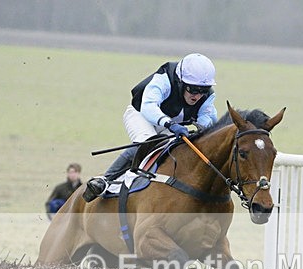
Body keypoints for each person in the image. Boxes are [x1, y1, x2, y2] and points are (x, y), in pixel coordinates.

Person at [83, 53, 218, 201]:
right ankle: (104, 181)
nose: (198, 96)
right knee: (148, 142)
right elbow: (149, 106)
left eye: (203, 90)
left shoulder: (207, 96)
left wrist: (200, 130)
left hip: (171, 125)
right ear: (181, 82)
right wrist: (170, 124)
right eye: (193, 89)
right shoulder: (164, 78)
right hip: (142, 115)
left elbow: (208, 119)